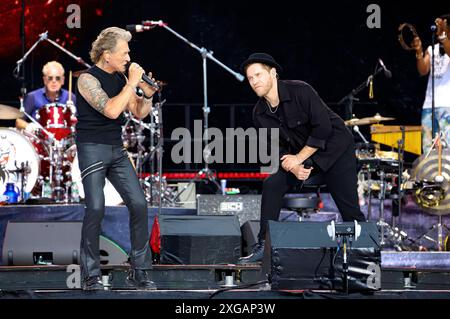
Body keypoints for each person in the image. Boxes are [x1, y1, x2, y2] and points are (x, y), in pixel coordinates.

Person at [238, 53, 366, 264]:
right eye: (250, 78)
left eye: (258, 75)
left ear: (273, 73)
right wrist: (292, 166)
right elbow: (273, 149)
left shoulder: (301, 91)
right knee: (273, 182)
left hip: (335, 151)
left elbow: (323, 129)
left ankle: (364, 255)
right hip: (303, 157)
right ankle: (264, 246)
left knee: (349, 208)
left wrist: (298, 158)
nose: (254, 81)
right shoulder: (259, 113)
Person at [75, 27, 157, 290]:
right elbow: (111, 110)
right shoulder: (87, 79)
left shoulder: (122, 78)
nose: (129, 57)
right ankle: (90, 275)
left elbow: (138, 111)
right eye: (124, 53)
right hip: (92, 148)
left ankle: (140, 271)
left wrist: (147, 95)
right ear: (107, 55)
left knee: (139, 204)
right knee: (96, 208)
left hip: (116, 148)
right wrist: (132, 82)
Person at [412, 14, 450, 153]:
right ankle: (430, 174)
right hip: (429, 105)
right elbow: (423, 70)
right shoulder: (431, 49)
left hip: (447, 106)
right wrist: (419, 52)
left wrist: (444, 35)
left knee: (448, 148)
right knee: (428, 148)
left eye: (442, 25)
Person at [15, 61, 76, 133]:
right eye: (50, 78)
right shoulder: (32, 96)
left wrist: (73, 119)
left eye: (58, 78)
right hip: (39, 140)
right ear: (44, 80)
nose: (54, 81)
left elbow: (79, 121)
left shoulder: (70, 96)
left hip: (65, 141)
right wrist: (30, 127)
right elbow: (18, 121)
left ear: (63, 80)